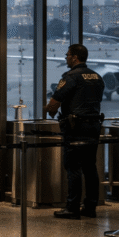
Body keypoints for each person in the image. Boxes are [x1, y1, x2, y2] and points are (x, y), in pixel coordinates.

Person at [46, 43, 105, 219]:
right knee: (90, 167)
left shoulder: (70, 77)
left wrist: (49, 109)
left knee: (73, 167)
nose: (66, 58)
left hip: (75, 127)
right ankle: (90, 207)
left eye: (68, 55)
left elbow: (54, 104)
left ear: (75, 57)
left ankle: (72, 207)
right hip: (94, 126)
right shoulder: (97, 76)